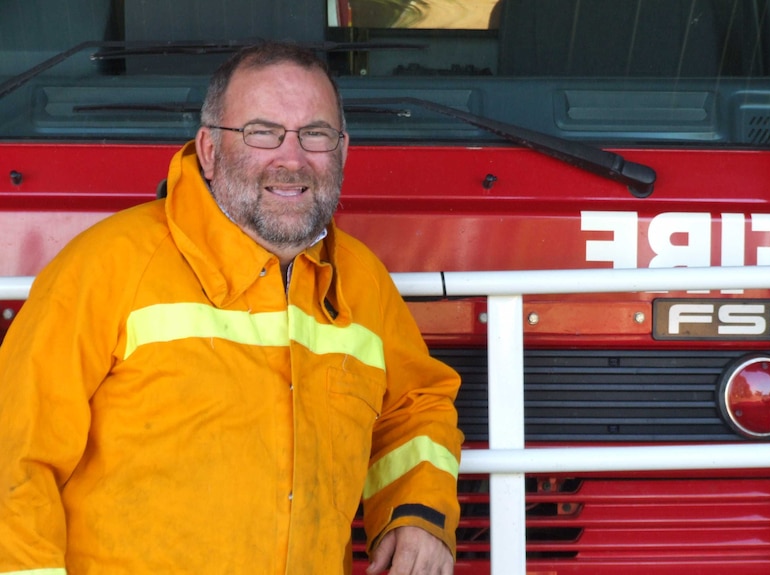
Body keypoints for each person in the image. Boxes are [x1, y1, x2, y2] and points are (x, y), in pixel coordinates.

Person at [0, 42, 463, 575]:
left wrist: (416, 512)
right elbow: (15, 462)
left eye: (315, 134)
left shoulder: (361, 281)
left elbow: (416, 405)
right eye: (261, 132)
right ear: (210, 150)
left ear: (343, 149)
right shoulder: (104, 269)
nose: (291, 160)